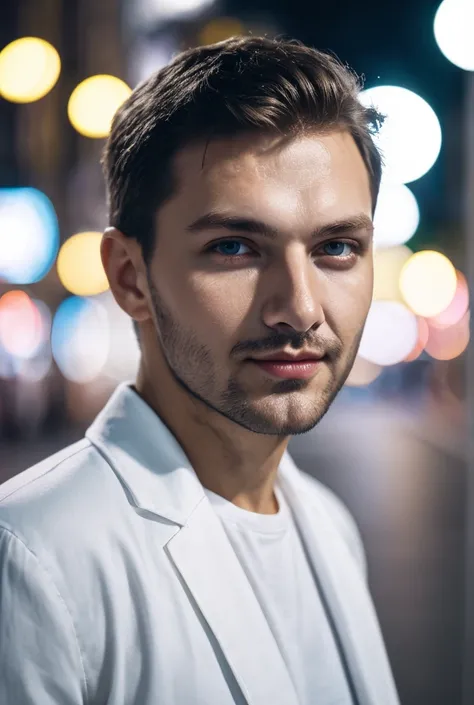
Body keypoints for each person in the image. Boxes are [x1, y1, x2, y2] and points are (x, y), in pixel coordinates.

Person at [0, 36, 399, 705]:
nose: (299, 307)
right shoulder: (34, 563)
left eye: (335, 247)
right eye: (235, 247)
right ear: (130, 277)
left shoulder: (330, 525)